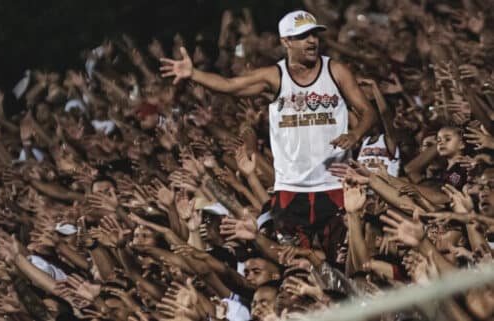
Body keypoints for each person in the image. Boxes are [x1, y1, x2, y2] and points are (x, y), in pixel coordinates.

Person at [160, 10, 376, 262]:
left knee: (343, 258)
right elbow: (230, 85)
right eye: (302, 36)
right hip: (291, 188)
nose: (311, 41)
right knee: (296, 262)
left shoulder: (336, 71)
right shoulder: (274, 76)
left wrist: (355, 133)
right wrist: (193, 74)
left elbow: (368, 111)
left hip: (335, 185)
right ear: (286, 41)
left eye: (314, 34)